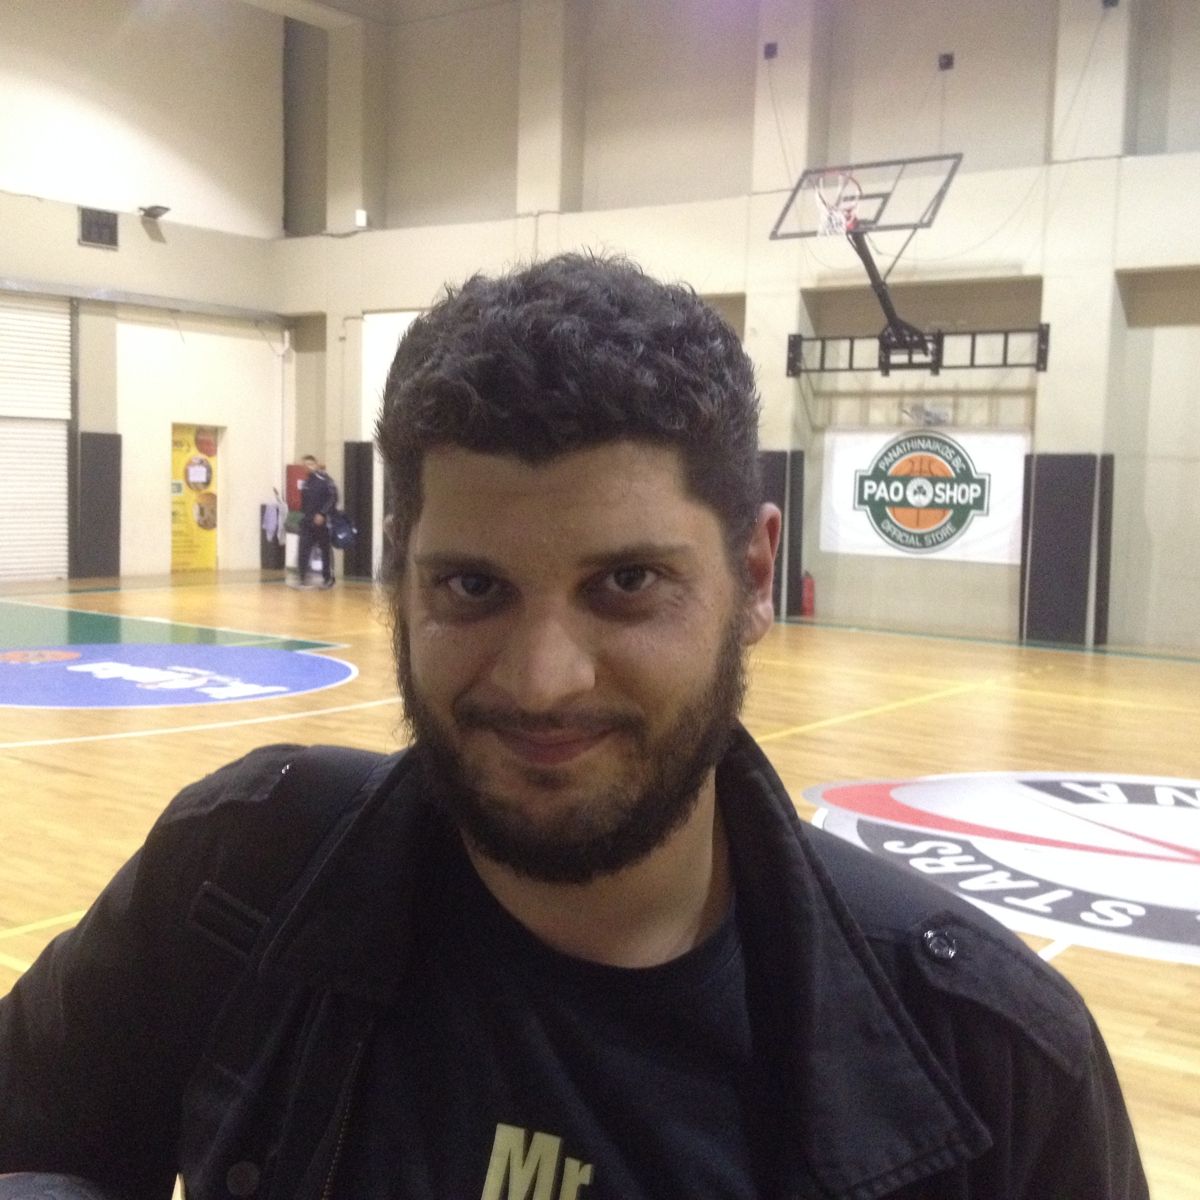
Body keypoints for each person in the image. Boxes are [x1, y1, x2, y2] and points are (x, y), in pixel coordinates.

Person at [0, 253, 1147, 1200]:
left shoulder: (990, 1061)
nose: (544, 681)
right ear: (400, 576)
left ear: (754, 576)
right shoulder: (237, 875)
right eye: (473, 588)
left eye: (627, 584)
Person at [296, 453, 337, 588]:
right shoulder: (306, 483)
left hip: (322, 522)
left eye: (310, 464)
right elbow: (304, 504)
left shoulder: (325, 480)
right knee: (303, 549)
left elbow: (333, 498)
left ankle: (328, 578)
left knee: (325, 550)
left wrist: (322, 513)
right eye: (305, 465)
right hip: (307, 522)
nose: (308, 467)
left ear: (316, 464)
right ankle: (302, 578)